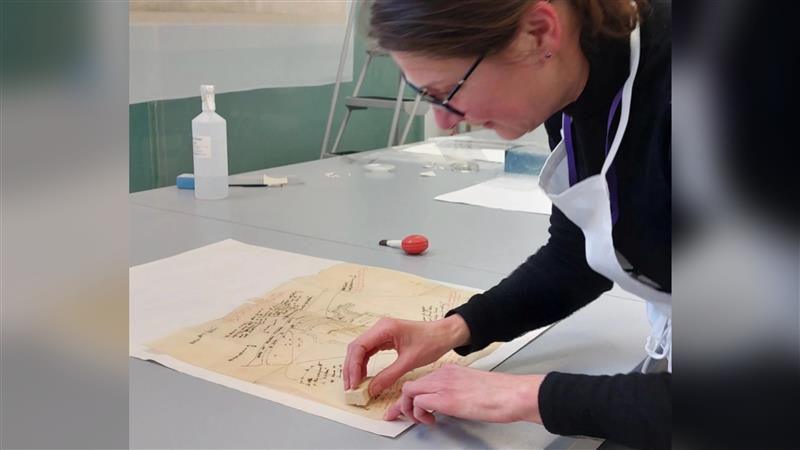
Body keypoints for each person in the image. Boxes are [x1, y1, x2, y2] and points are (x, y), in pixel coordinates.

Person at [343, 0, 671, 448]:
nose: (443, 121)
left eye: (448, 91)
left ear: (538, 32)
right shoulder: (573, 81)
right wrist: (456, 328)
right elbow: (582, 253)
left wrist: (525, 396)